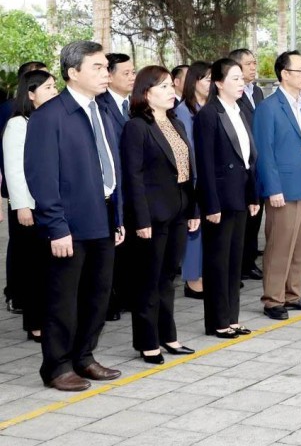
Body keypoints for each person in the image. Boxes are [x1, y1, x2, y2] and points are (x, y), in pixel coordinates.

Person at [25, 41, 124, 391]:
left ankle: (84, 356)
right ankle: (57, 366)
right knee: (63, 300)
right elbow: (41, 177)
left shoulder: (105, 111)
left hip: (104, 219)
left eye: (105, 66)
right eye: (97, 66)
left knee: (98, 295)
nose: (105, 73)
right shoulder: (48, 117)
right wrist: (56, 227)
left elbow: (113, 168)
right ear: (73, 73)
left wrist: (120, 217)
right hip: (69, 225)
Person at [122, 66, 199, 363]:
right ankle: (146, 340)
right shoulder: (137, 127)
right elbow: (134, 176)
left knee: (168, 277)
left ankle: (168, 335)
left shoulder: (176, 122)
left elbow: (187, 171)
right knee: (148, 280)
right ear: (146, 93)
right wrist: (140, 220)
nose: (171, 91)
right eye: (164, 86)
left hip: (179, 208)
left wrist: (193, 208)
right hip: (152, 215)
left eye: (171, 86)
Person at [194, 58, 260, 339]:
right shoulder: (209, 114)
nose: (241, 82)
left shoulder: (242, 110)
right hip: (220, 199)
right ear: (218, 83)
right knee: (218, 262)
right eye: (234, 78)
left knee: (235, 261)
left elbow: (249, 159)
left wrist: (253, 194)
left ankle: (232, 318)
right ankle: (217, 321)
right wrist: (211, 203)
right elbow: (205, 164)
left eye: (241, 78)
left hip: (241, 195)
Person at [253, 51, 301, 321]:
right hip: (282, 187)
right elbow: (265, 153)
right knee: (280, 245)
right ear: (284, 74)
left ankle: (293, 293)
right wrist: (273, 189)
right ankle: (273, 299)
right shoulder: (268, 108)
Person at [3, 70, 58, 343]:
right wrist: (22, 206)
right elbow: (14, 169)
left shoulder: (50, 120)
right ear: (31, 93)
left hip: (51, 206)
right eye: (48, 87)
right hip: (30, 208)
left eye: (54, 86)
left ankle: (49, 319)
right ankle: (35, 324)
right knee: (34, 268)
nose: (54, 91)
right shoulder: (18, 124)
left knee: (51, 268)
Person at [97, 52, 136, 321]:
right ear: (109, 76)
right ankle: (108, 300)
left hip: (134, 187)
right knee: (112, 247)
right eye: (126, 73)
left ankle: (125, 293)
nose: (132, 77)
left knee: (129, 245)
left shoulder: (134, 104)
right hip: (113, 187)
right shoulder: (101, 107)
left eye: (134, 72)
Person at [174, 61, 211, 300]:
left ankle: (205, 276)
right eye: (206, 79)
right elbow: (188, 150)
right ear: (194, 82)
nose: (210, 84)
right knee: (194, 232)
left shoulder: (212, 107)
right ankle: (193, 281)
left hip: (212, 177)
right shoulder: (183, 110)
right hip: (195, 178)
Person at [229, 48, 265, 281]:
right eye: (249, 64)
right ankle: (239, 263)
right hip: (241, 163)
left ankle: (249, 260)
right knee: (241, 216)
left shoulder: (258, 91)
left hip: (258, 162)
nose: (254, 67)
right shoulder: (233, 94)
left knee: (256, 214)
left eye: (254, 63)